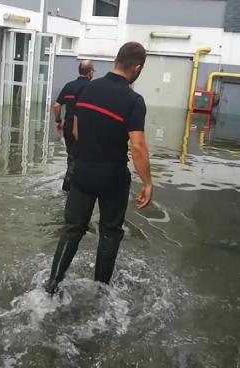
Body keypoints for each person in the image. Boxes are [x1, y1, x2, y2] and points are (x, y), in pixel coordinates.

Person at [45, 42, 153, 294]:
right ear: (137, 68)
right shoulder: (133, 100)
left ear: (116, 61)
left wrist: (86, 155)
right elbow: (137, 146)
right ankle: (101, 291)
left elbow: (75, 129)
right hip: (112, 176)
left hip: (83, 172)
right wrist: (147, 183)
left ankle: (51, 285)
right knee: (109, 232)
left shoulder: (88, 89)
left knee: (73, 229)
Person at [54, 60, 95, 191]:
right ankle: (70, 187)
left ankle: (69, 185)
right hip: (83, 129)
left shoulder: (69, 86)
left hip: (68, 126)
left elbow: (56, 105)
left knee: (71, 156)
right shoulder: (91, 87)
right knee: (80, 159)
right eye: (93, 71)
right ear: (90, 73)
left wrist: (58, 121)